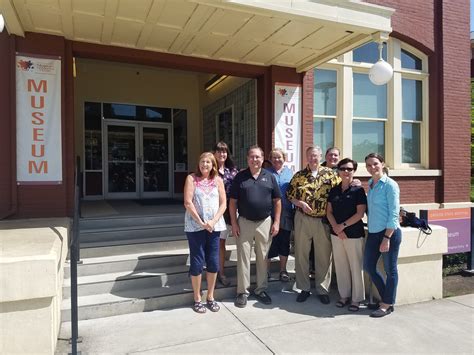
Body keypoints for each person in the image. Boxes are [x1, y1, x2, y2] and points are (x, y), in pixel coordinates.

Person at [229, 145, 282, 308]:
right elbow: (233, 203)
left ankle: (260, 290)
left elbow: (277, 201)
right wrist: (234, 223)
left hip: (264, 222)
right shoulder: (240, 177)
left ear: (262, 158)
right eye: (252, 156)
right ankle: (242, 292)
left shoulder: (270, 176)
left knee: (263, 257)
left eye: (258, 157)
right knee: (243, 257)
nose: (255, 159)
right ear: (247, 159)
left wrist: (277, 221)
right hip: (244, 222)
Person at [287, 146, 340, 304]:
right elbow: (289, 194)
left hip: (322, 220)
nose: (313, 159)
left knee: (323, 255)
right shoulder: (299, 176)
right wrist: (300, 203)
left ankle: (323, 289)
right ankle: (304, 288)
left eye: (315, 156)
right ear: (306, 157)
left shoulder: (330, 174)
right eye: (310, 156)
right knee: (301, 254)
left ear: (320, 156)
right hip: (302, 218)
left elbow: (341, 190)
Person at [183, 152, 227, 313]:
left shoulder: (218, 180)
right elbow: (188, 202)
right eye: (202, 161)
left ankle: (210, 296)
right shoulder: (191, 179)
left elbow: (224, 204)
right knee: (197, 262)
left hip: (214, 227)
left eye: (208, 162)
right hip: (195, 228)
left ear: (213, 164)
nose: (205, 164)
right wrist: (201, 222)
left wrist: (213, 222)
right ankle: (197, 298)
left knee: (213, 262)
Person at [363, 153, 402, 318]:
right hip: (373, 232)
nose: (372, 168)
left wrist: (387, 238)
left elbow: (394, 214)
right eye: (369, 165)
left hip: (389, 233)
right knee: (368, 266)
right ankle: (387, 297)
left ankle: (386, 304)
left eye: (375, 164)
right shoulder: (371, 183)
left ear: (382, 164)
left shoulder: (390, 185)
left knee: (390, 270)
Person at [326, 158, 367, 312]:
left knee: (356, 267)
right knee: (341, 266)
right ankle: (344, 296)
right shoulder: (334, 190)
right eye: (343, 168)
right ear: (338, 171)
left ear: (354, 171)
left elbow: (360, 213)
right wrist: (336, 228)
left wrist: (342, 226)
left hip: (353, 234)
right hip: (336, 234)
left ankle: (356, 299)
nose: (346, 171)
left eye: (350, 169)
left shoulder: (358, 190)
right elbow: (328, 211)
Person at [266, 148, 294, 282]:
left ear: (284, 158)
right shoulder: (266, 173)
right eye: (274, 157)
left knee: (284, 241)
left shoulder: (290, 173)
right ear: (270, 160)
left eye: (279, 157)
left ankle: (283, 270)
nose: (277, 160)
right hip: (269, 213)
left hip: (286, 213)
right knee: (268, 243)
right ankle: (266, 271)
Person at [213, 142, 239, 287]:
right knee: (217, 243)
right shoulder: (209, 169)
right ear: (214, 153)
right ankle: (218, 272)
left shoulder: (233, 170)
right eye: (219, 151)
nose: (222, 154)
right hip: (215, 212)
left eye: (224, 151)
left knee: (223, 242)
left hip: (231, 211)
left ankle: (220, 272)